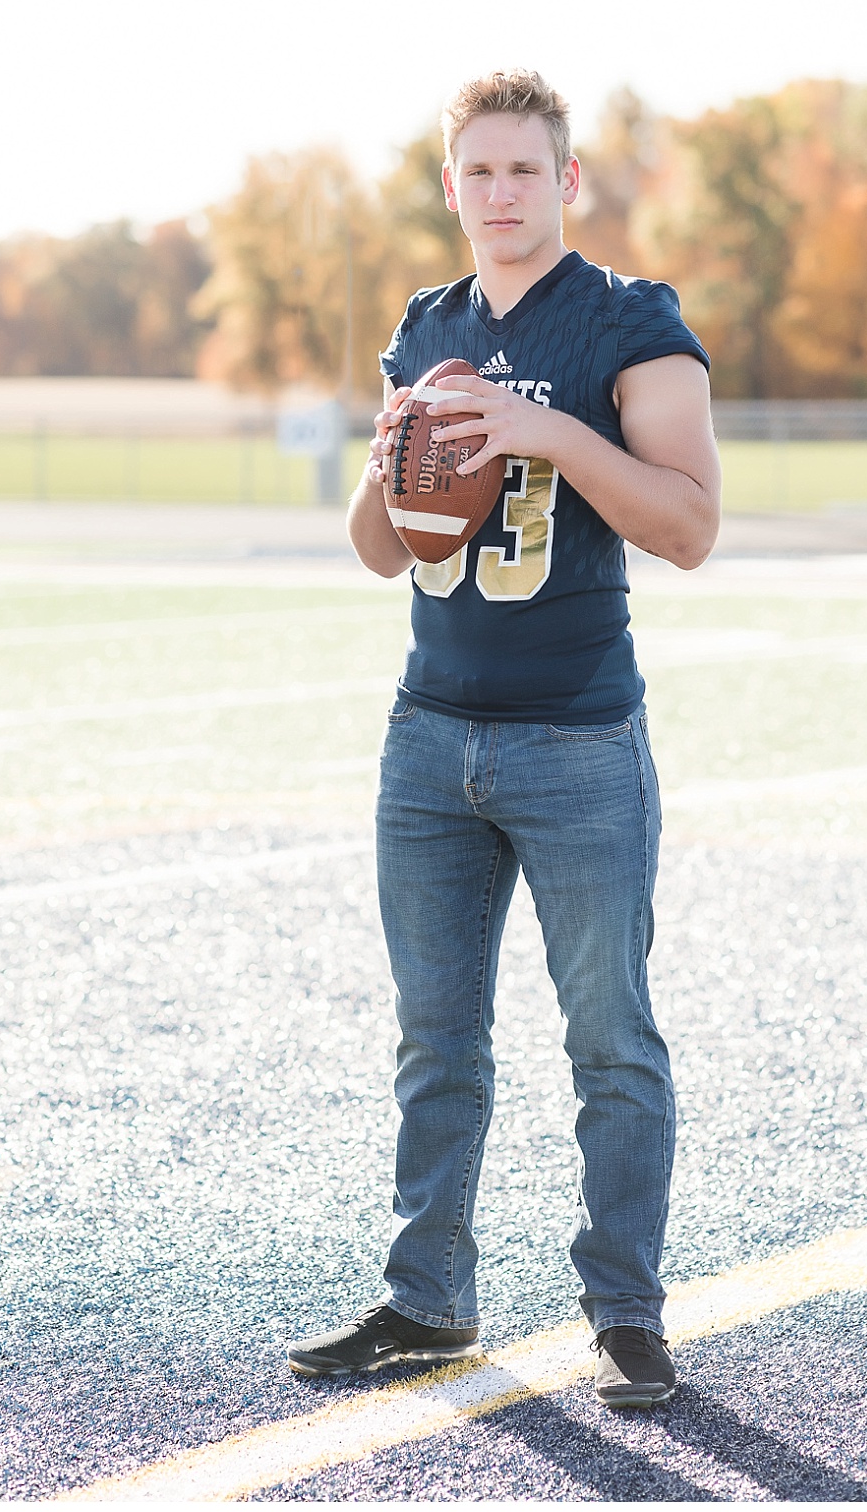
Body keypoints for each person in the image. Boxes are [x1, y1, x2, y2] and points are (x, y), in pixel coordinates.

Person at [287, 69, 721, 1408]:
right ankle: (428, 1299)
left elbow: (690, 522)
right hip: (429, 739)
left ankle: (626, 1312)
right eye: (478, 172)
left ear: (567, 180)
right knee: (437, 1039)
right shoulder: (426, 327)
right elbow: (379, 554)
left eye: (524, 169)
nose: (501, 193)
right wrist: (391, 469)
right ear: (451, 187)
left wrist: (549, 433)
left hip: (577, 736)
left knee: (610, 1037)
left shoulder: (628, 320)